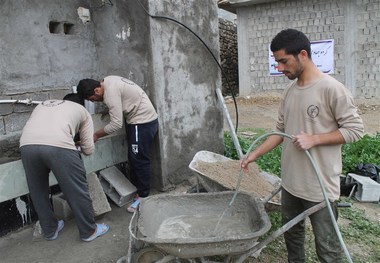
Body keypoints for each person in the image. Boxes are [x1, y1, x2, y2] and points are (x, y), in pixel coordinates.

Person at [240, 29, 364, 262]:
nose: (280, 68)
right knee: (292, 240)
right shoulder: (289, 91)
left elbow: (355, 130)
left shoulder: (331, 89)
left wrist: (314, 139)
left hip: (319, 188)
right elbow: (279, 132)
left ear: (303, 54)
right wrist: (253, 154)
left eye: (283, 61)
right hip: (290, 184)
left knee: (328, 250)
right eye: (277, 62)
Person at [20, 93, 110, 241]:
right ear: (80, 104)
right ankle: (89, 231)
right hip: (58, 146)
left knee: (38, 191)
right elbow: (88, 149)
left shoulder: (44, 104)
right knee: (77, 189)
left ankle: (50, 230)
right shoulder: (83, 111)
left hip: (27, 145)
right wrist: (77, 146)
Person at [76, 76, 159, 213]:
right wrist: (111, 109)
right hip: (140, 120)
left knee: (139, 159)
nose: (94, 102)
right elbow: (123, 97)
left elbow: (116, 124)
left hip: (142, 122)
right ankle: (139, 189)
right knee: (134, 157)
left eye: (92, 99)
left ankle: (143, 196)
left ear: (97, 90)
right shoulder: (108, 80)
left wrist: (96, 135)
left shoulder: (110, 94)